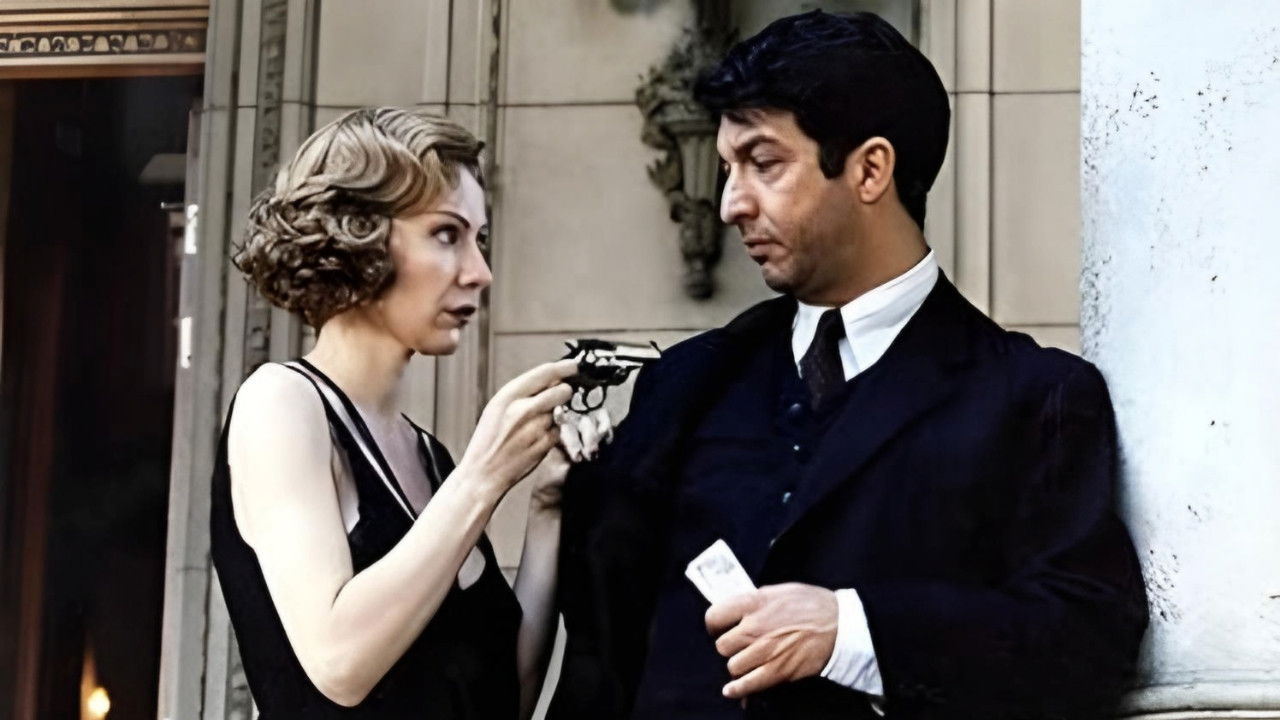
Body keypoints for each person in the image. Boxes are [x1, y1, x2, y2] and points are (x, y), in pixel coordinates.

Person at [549, 11, 1148, 720]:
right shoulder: (680, 385)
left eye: (764, 163)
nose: (732, 203)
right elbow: (600, 661)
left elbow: (1086, 641)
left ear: (870, 170)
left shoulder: (1035, 398)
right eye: (729, 167)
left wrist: (854, 632)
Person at [210, 107, 608, 719]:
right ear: (357, 234)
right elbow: (339, 663)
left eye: (479, 240)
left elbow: (505, 698)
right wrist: (482, 478)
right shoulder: (281, 403)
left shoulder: (429, 457)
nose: (480, 273)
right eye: (447, 234)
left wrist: (547, 508)